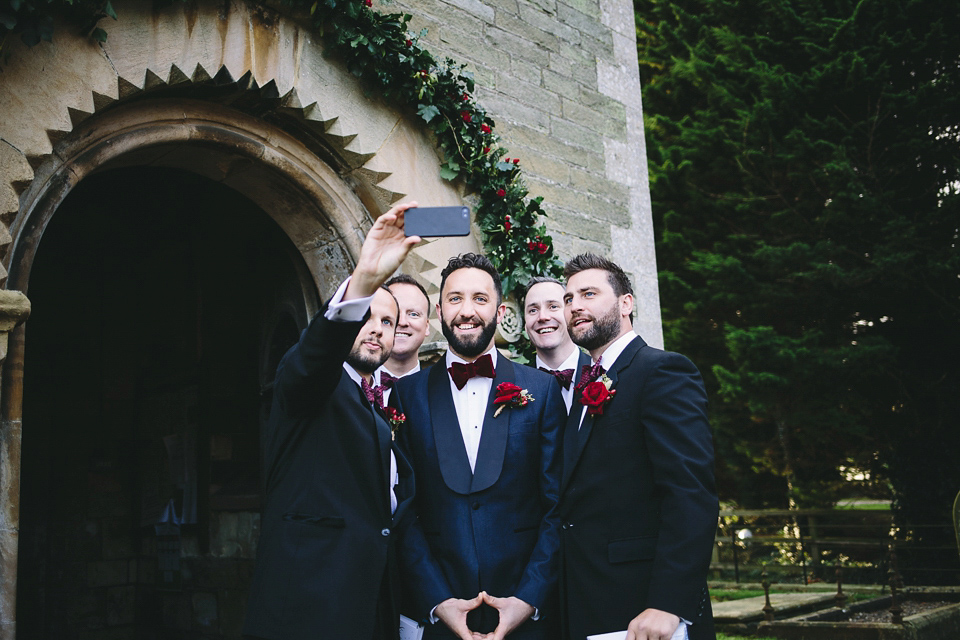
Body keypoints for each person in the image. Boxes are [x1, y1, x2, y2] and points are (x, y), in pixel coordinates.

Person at [243, 202, 421, 640]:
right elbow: (315, 356)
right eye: (367, 317)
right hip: (308, 609)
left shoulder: (381, 404)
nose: (377, 329)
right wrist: (364, 279)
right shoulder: (308, 381)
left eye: (388, 323)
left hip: (371, 609)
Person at [392, 253, 566, 640]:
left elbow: (557, 507)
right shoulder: (406, 396)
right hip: (441, 618)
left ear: (499, 309)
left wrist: (528, 598)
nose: (466, 311)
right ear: (439, 310)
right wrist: (437, 601)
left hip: (526, 616)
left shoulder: (541, 389)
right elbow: (405, 510)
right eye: (455, 299)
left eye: (479, 299)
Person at [557, 254, 718, 640]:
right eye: (568, 298)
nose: (575, 305)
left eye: (589, 293)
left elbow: (689, 491)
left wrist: (669, 603)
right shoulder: (582, 388)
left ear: (626, 303)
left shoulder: (662, 371)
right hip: (587, 603)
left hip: (646, 610)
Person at [522, 276, 590, 414]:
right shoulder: (514, 383)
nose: (542, 317)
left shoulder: (601, 373)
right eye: (533, 310)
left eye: (553, 307)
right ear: (525, 324)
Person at [375, 274, 432, 407]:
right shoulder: (351, 385)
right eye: (394, 313)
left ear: (427, 326)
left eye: (413, 314)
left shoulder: (442, 389)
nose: (402, 322)